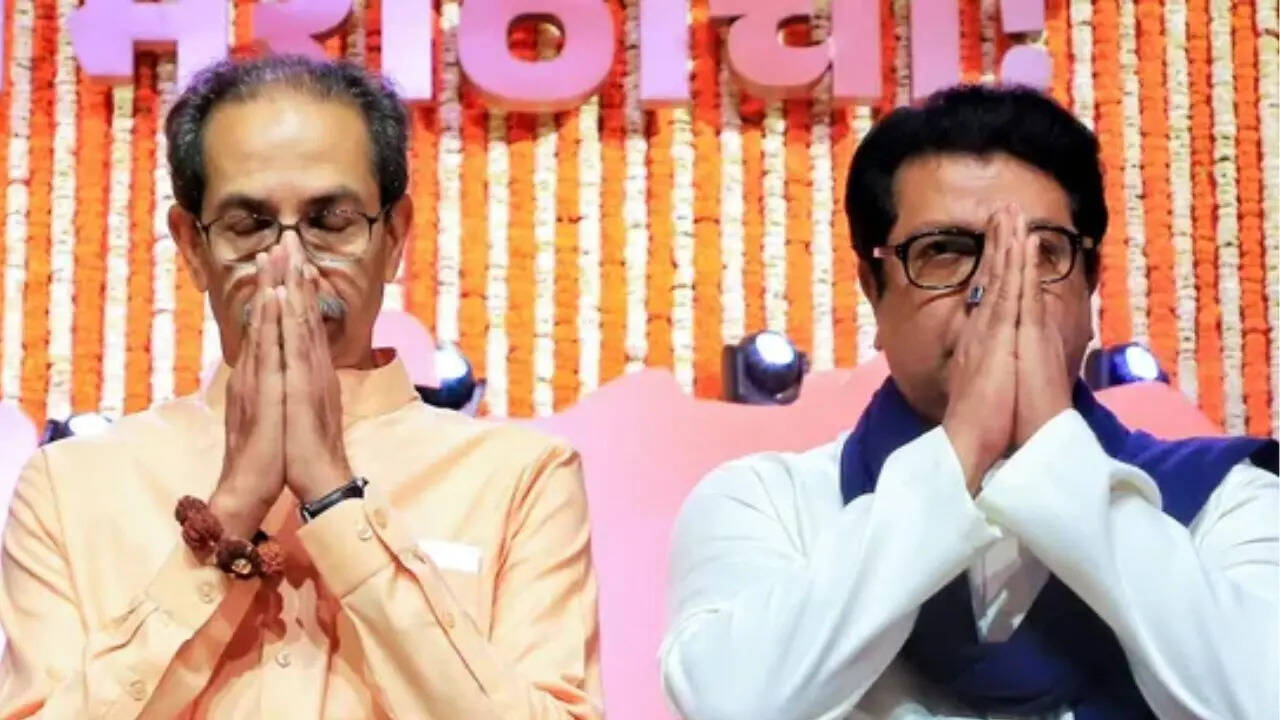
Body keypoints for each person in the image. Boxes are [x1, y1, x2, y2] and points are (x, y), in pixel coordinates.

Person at [0, 56, 601, 718]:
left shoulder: (520, 480)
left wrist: (337, 502)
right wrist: (230, 515)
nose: (289, 261)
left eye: (331, 221)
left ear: (393, 236)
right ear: (193, 247)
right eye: (249, 226)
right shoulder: (71, 487)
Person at [660, 85, 1278, 719]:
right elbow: (730, 705)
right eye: (945, 253)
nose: (990, 292)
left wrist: (1053, 449)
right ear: (874, 291)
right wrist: (960, 451)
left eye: (1039, 253)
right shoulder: (767, 502)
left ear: (1091, 287)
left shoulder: (1225, 497)